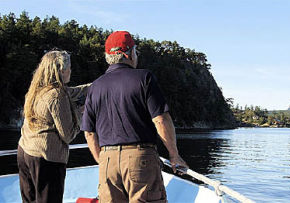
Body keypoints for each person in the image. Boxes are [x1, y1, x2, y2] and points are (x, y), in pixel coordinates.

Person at [81, 31, 188, 203]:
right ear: (129, 54)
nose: (136, 55)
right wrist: (174, 155)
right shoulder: (144, 78)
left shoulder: (95, 86)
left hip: (107, 162)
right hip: (140, 160)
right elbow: (161, 119)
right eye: (136, 51)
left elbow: (89, 133)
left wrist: (103, 161)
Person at [17, 50, 90, 203]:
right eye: (69, 67)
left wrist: (98, 85)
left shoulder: (38, 90)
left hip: (25, 152)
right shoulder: (57, 95)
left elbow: (75, 92)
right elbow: (68, 134)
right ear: (62, 71)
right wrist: (80, 112)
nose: (71, 70)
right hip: (46, 158)